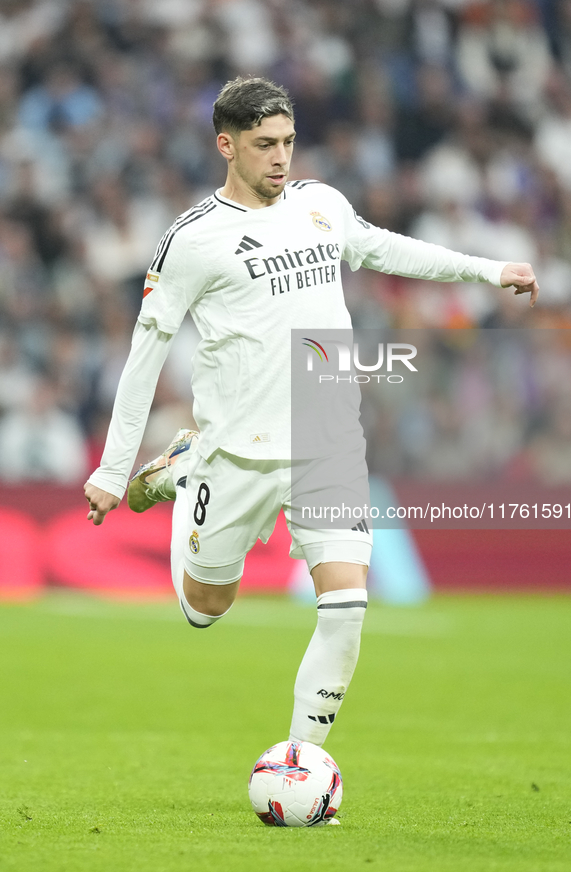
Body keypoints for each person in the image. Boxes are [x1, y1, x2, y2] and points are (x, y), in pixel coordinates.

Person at [84, 77, 538, 754]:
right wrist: (113, 470)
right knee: (205, 608)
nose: (280, 158)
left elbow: (386, 248)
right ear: (226, 145)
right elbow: (144, 354)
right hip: (235, 449)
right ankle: (181, 467)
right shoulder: (192, 240)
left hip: (325, 436)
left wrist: (488, 269)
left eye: (288, 142)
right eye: (264, 144)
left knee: (347, 607)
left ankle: (302, 759)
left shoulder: (319, 205)